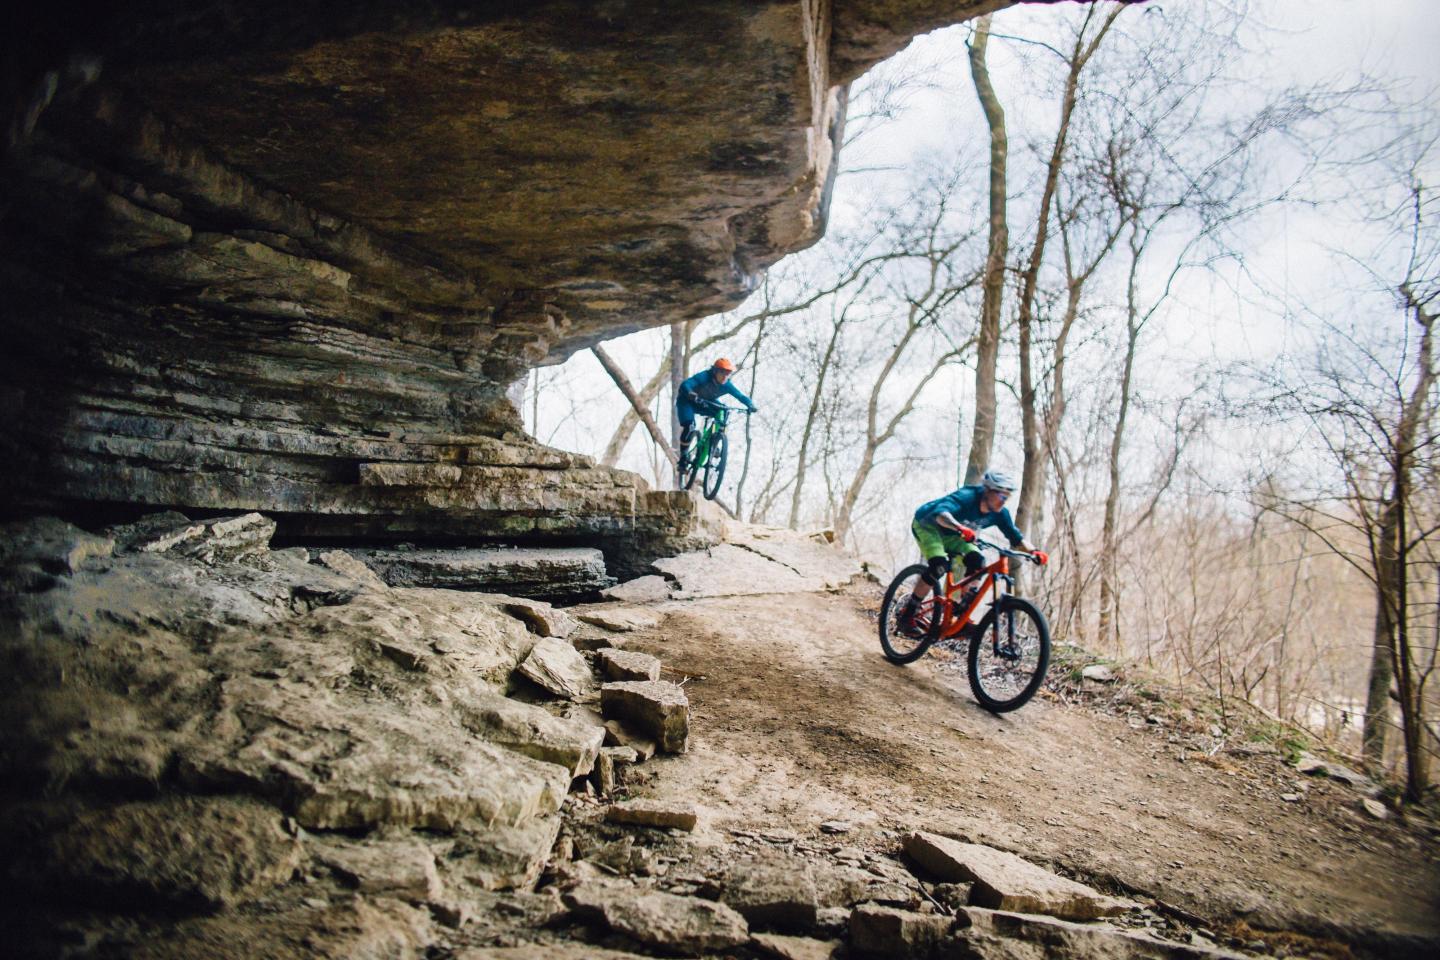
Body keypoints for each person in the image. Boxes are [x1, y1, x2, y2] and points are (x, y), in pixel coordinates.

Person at [900, 469, 1046, 629]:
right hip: (928, 526)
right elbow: (941, 514)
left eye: (1007, 497)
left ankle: (961, 611)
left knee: (977, 561)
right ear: (988, 491)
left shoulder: (1000, 513)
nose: (1004, 501)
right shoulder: (967, 497)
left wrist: (1033, 552)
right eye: (1001, 496)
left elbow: (1015, 536)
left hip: (956, 535)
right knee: (939, 566)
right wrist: (960, 528)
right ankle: (908, 613)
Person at [676, 358, 757, 470]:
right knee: (689, 426)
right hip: (687, 402)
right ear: (715, 371)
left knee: (723, 411)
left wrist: (750, 405)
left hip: (705, 403)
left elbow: (740, 396)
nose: (725, 377)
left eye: (727, 374)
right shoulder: (704, 377)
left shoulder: (726, 385)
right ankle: (683, 456)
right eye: (722, 373)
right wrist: (690, 393)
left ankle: (714, 441)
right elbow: (686, 384)